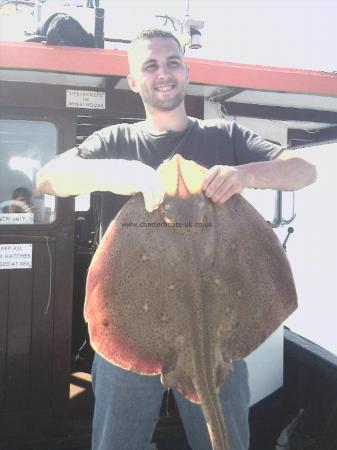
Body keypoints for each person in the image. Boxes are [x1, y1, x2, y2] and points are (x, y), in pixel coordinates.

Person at [36, 29, 317, 450]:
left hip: (218, 333)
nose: (162, 73)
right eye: (150, 65)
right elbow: (47, 178)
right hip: (130, 331)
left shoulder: (226, 137)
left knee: (227, 441)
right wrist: (112, 173)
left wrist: (245, 175)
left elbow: (304, 171)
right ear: (134, 81)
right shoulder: (116, 141)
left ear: (187, 72)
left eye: (172, 62)